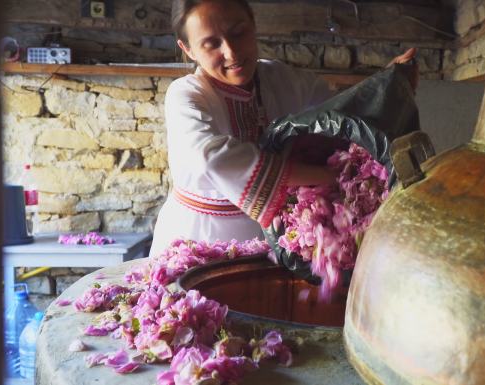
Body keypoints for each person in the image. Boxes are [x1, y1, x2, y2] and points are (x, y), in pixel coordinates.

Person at [149, 0, 417, 257]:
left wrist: (387, 87)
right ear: (188, 49)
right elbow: (212, 158)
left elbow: (339, 115)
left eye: (238, 33)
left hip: (272, 243)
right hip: (198, 241)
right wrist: (329, 177)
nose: (231, 52)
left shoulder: (282, 79)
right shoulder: (186, 94)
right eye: (211, 44)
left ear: (253, 25)